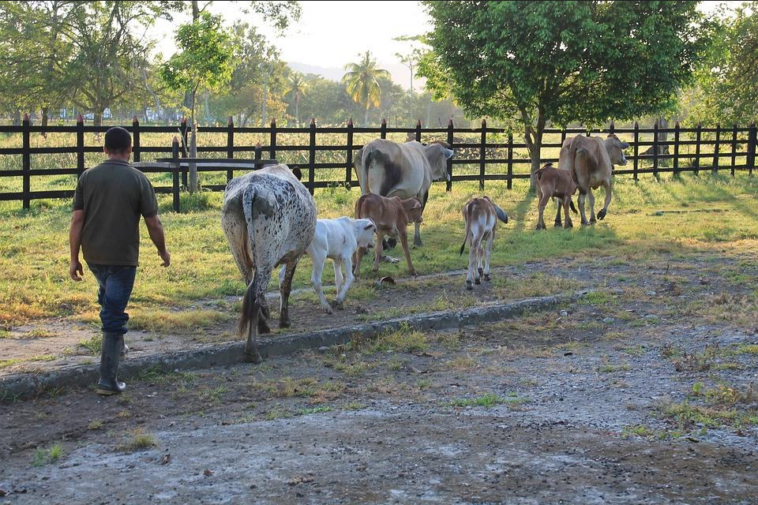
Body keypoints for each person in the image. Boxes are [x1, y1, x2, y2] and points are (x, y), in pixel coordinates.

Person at [69, 127, 170, 395]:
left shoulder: (87, 177)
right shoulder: (138, 180)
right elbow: (153, 223)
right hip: (123, 258)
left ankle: (120, 347)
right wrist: (163, 251)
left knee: (107, 294)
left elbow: (77, 220)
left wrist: (73, 258)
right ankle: (107, 380)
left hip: (93, 256)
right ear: (130, 149)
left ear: (104, 149)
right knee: (113, 313)